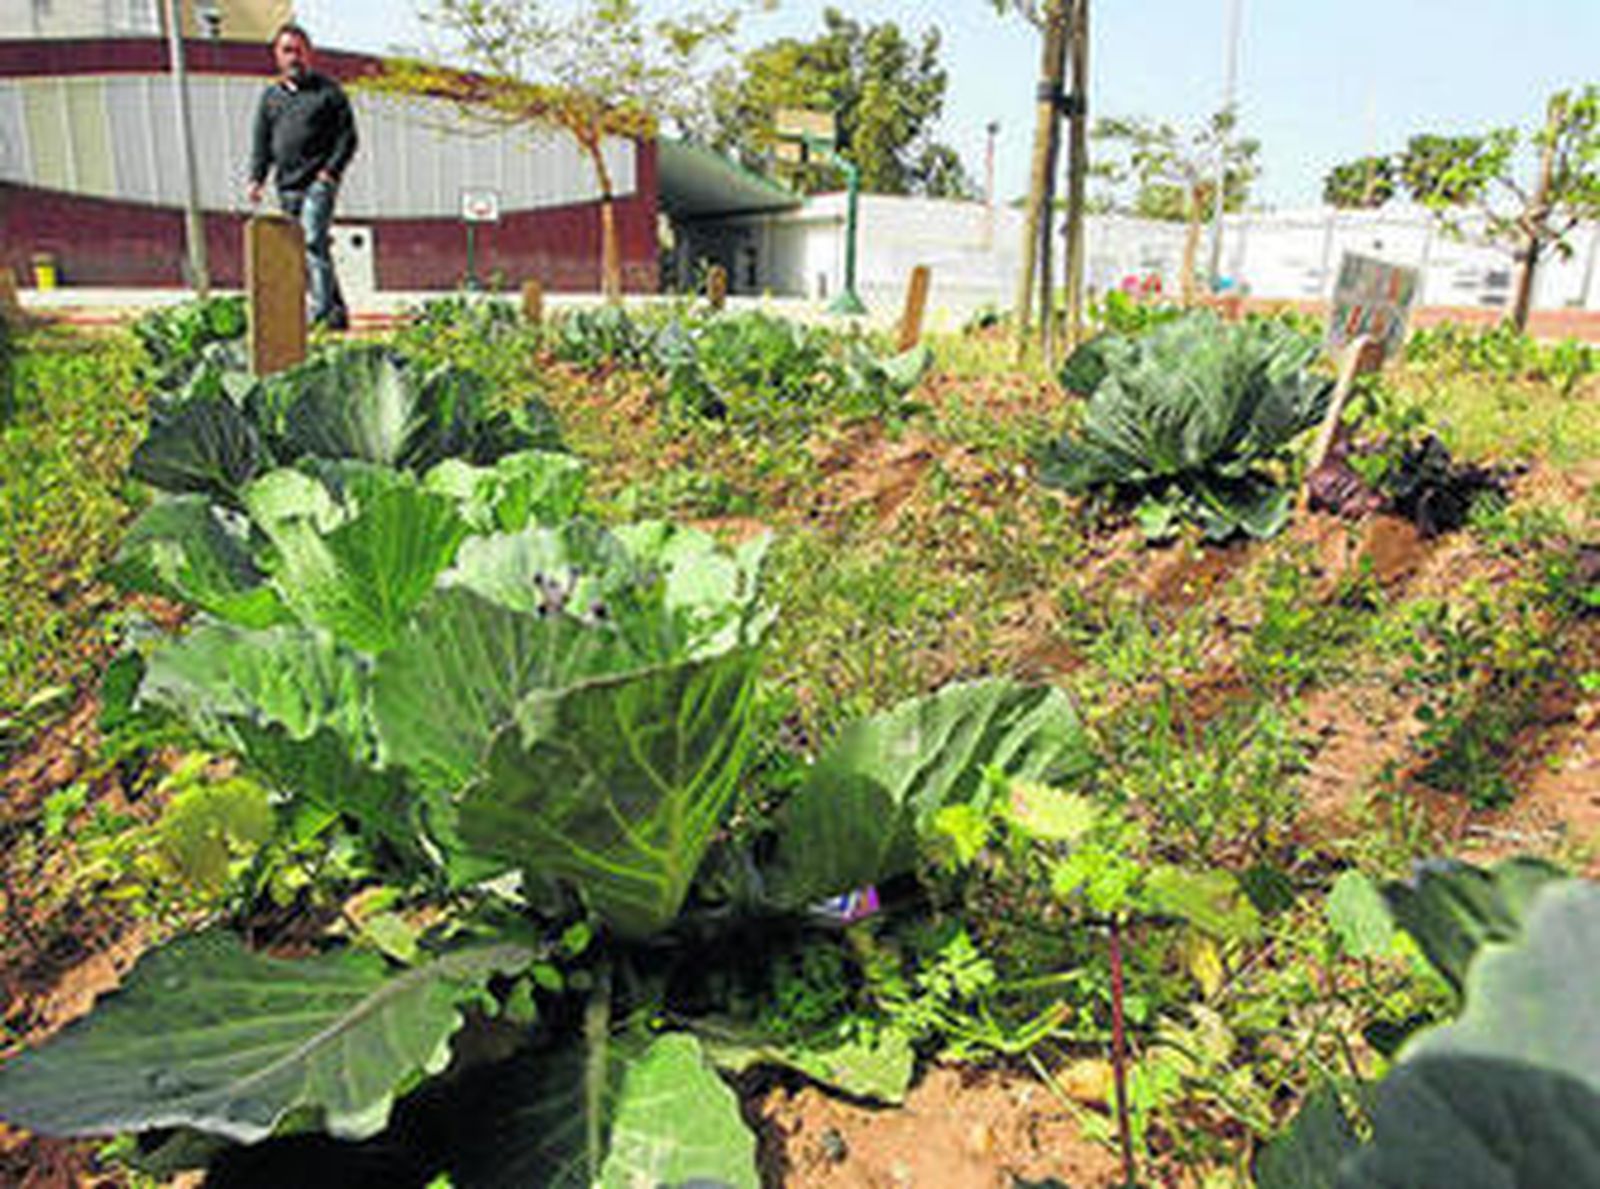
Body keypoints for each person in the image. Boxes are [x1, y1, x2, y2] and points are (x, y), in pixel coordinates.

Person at [247, 23, 357, 331]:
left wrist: (328, 174)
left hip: (317, 185)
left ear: (309, 53)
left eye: (299, 50)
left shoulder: (329, 93)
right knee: (307, 248)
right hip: (287, 186)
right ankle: (336, 314)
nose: (293, 57)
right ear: (277, 56)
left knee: (311, 241)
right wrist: (257, 179)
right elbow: (262, 142)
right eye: (287, 51)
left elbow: (348, 138)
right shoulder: (271, 98)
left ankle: (320, 313)